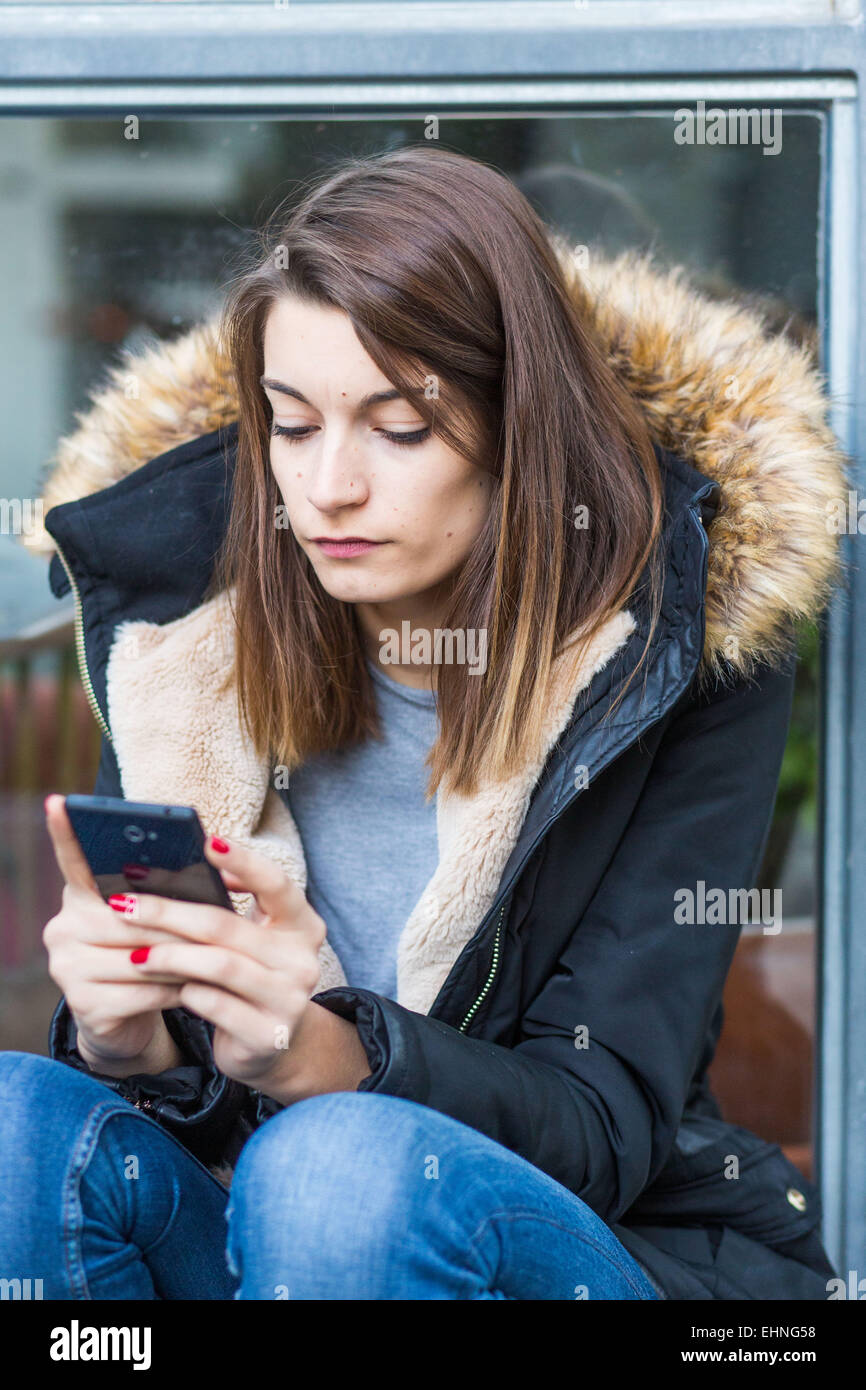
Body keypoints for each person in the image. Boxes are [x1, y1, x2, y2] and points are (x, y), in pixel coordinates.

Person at [1, 146, 848, 1300]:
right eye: (291, 426)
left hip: (580, 1248)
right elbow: (157, 1101)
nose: (328, 488)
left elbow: (602, 1121)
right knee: (15, 1123)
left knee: (334, 1169)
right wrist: (122, 1039)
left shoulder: (672, 654)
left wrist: (318, 1055)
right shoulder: (176, 638)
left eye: (398, 427)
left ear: (519, 430)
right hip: (255, 1234)